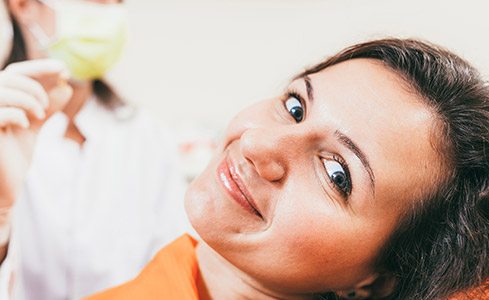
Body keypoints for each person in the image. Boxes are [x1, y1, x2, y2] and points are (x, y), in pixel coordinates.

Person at [3, 38, 489, 299]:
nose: (257, 144)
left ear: (377, 281)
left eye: (336, 173)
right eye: (296, 107)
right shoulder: (175, 272)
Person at [0, 0, 189, 299]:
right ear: (23, 5)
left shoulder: (147, 138)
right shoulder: (4, 129)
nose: (109, 15)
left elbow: (173, 269)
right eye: (96, 1)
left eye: (116, 3)